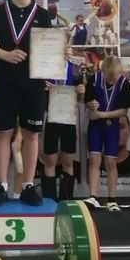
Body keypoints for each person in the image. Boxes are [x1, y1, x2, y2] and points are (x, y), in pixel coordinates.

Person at [0, 0, 62, 206]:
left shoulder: (42, 15)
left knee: (31, 135)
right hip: (5, 82)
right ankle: (1, 186)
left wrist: (62, 54)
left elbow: (49, 48)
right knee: (2, 133)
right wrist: (6, 55)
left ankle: (28, 185)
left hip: (33, 84)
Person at [84, 56, 130, 211]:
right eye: (109, 76)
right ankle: (93, 196)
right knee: (94, 160)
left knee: (111, 162)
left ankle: (112, 199)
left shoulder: (124, 83)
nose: (112, 79)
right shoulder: (94, 79)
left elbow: (124, 111)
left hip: (112, 126)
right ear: (103, 71)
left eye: (115, 76)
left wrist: (101, 114)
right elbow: (87, 101)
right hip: (96, 126)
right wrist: (91, 104)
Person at [42, 63, 85, 202]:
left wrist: (81, 91)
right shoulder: (45, 68)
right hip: (51, 117)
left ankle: (66, 199)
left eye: (68, 52)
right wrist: (42, 88)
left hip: (68, 118)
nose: (66, 53)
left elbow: (80, 99)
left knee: (68, 160)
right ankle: (49, 200)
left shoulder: (76, 70)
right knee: (50, 160)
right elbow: (37, 93)